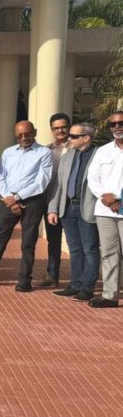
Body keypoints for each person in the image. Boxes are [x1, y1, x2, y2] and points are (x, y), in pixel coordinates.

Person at [0, 121, 53, 291]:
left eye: (27, 134)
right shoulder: (8, 152)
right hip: (8, 200)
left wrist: (17, 197)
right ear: (15, 134)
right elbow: (1, 177)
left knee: (28, 243)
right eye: (20, 135)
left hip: (32, 201)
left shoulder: (44, 153)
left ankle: (24, 280)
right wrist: (8, 197)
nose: (24, 137)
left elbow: (41, 182)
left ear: (35, 132)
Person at [47, 123, 99, 302]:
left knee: (90, 249)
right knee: (75, 249)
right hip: (67, 208)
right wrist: (53, 208)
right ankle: (75, 284)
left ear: (86, 138)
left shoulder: (98, 155)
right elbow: (59, 185)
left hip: (88, 208)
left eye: (74, 136)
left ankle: (87, 288)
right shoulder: (68, 155)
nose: (69, 139)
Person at [86, 110, 123, 308]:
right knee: (109, 253)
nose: (117, 127)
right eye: (113, 124)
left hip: (120, 206)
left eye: (120, 123)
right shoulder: (103, 151)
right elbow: (93, 178)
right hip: (105, 211)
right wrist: (107, 198)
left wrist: (117, 198)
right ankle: (110, 295)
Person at [41, 113, 71, 287]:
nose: (60, 131)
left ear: (69, 127)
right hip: (49, 202)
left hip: (70, 203)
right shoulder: (46, 151)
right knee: (53, 241)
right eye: (56, 128)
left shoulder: (76, 149)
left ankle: (80, 280)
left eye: (63, 127)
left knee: (75, 243)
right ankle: (52, 275)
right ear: (52, 130)